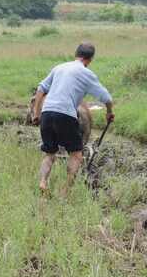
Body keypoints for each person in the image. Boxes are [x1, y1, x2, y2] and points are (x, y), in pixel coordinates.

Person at [31, 43, 115, 197]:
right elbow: (106, 97)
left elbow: (41, 89)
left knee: (49, 154)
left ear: (76, 54)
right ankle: (65, 191)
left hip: (47, 112)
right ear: (90, 59)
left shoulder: (59, 67)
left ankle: (42, 182)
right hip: (66, 114)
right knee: (76, 154)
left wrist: (36, 114)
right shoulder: (86, 73)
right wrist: (109, 112)